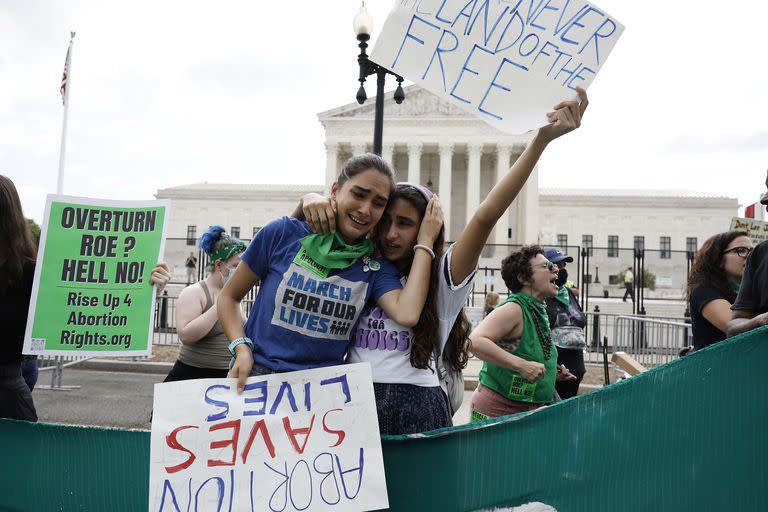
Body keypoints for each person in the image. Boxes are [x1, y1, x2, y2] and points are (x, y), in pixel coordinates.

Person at [300, 87, 589, 434]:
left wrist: (540, 141)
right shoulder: (359, 268)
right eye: (386, 220)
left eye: (406, 224)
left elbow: (485, 217)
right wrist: (309, 200)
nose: (391, 233)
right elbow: (300, 252)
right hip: (353, 402)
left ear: (426, 227)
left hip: (417, 406)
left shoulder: (441, 279)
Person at [219, 154, 440, 393]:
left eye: (378, 203)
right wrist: (241, 348)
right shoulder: (283, 233)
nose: (365, 210)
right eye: (359, 194)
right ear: (335, 190)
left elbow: (407, 313)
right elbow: (228, 297)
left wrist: (425, 240)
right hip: (257, 378)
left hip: (322, 393)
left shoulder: (374, 265)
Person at [469, 245, 577, 420]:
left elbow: (518, 351)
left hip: (524, 409)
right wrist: (522, 365)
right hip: (500, 410)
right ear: (523, 278)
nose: (556, 269)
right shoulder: (515, 308)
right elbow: (475, 341)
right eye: (547, 266)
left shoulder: (536, 308)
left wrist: (551, 374)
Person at [164, 226, 246, 382]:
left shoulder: (236, 293)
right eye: (236, 265)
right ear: (219, 265)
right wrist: (222, 302)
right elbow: (186, 335)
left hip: (226, 377)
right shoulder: (194, 292)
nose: (241, 271)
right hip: (192, 376)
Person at [686, 232, 752, 349]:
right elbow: (734, 325)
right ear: (719, 259)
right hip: (714, 366)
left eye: (752, 251)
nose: (749, 256)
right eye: (741, 250)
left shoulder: (746, 289)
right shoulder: (703, 290)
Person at [544, 247, 587, 399]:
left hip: (576, 370)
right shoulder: (543, 296)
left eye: (563, 266)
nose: (561, 270)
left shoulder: (567, 293)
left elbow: (579, 319)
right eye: (557, 266)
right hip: (556, 374)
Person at [727, 177, 768, 337]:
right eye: (739, 250)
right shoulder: (760, 254)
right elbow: (734, 325)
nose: (764, 202)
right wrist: (759, 321)